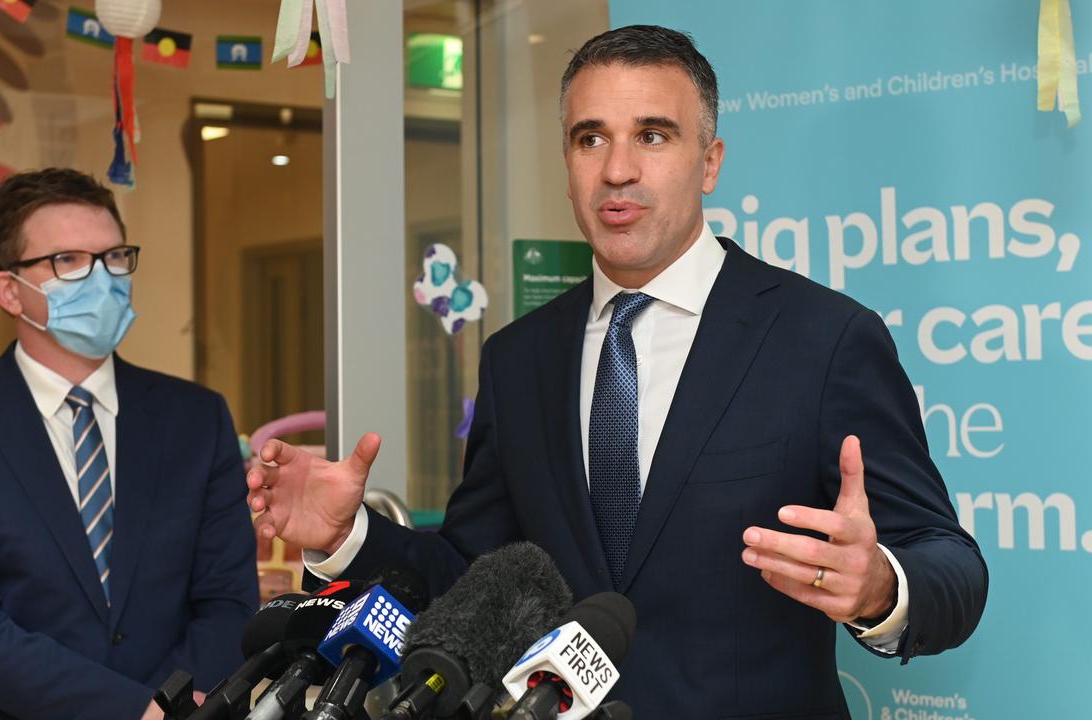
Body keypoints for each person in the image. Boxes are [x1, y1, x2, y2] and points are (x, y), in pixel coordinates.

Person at [247, 26, 988, 718]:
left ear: (710, 160)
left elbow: (951, 563)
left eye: (652, 136)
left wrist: (881, 586)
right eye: (589, 137)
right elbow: (473, 580)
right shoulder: (519, 357)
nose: (618, 170)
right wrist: (348, 536)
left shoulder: (822, 339)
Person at [0, 168, 259, 720]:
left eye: (113, 257)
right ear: (10, 292)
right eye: (68, 261)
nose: (102, 278)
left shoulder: (197, 419)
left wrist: (172, 706)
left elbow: (227, 601)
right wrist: (133, 710)